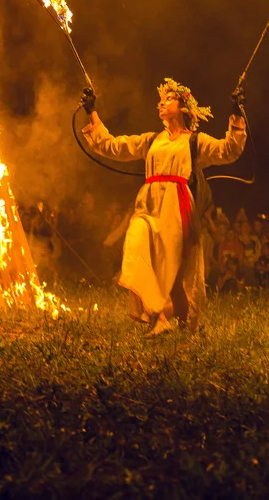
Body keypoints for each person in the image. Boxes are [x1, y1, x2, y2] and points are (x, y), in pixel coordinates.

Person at [81, 77, 246, 335]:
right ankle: (157, 314)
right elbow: (112, 146)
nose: (161, 103)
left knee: (174, 266)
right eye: (160, 100)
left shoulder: (194, 142)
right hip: (148, 203)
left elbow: (228, 150)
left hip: (177, 205)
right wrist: (92, 112)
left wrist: (236, 115)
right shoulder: (151, 140)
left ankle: (178, 321)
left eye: (168, 99)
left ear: (183, 106)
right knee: (137, 245)